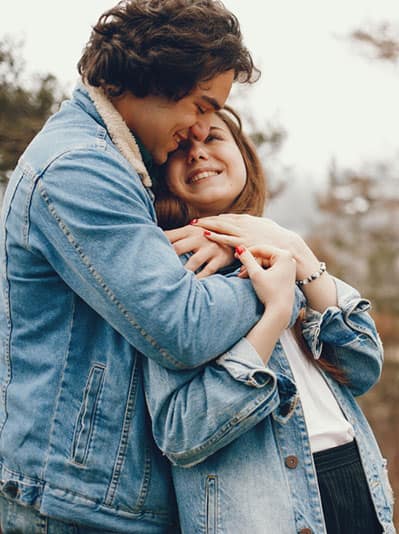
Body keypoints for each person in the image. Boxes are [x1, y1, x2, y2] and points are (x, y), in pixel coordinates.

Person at [0, 1, 270, 532]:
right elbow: (182, 327)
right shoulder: (79, 167)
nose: (199, 127)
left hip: (106, 496)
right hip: (76, 502)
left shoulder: (121, 163)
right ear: (158, 79)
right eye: (200, 104)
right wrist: (276, 276)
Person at [145, 107, 395, 533]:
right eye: (181, 146)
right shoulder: (172, 271)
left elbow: (363, 364)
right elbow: (182, 433)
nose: (198, 154)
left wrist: (298, 251)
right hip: (261, 510)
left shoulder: (281, 246)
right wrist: (275, 314)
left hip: (355, 479)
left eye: (213, 139)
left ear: (244, 156)